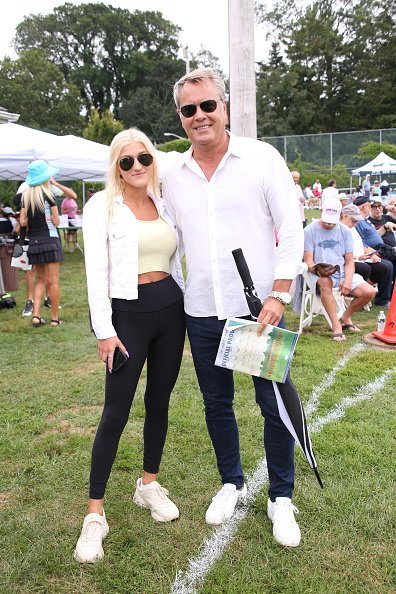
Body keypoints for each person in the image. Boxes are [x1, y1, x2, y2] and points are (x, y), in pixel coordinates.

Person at [162, 68, 304, 547]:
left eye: (208, 106)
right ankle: (231, 482)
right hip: (202, 309)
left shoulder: (261, 158)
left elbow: (291, 225)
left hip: (256, 310)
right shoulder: (174, 174)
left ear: (225, 107)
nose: (200, 116)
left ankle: (281, 497)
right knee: (216, 402)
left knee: (273, 403)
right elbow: (167, 236)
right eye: (189, 109)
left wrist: (279, 294)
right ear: (181, 117)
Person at [74, 128, 185, 564]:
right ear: (115, 166)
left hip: (170, 308)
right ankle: (95, 515)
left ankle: (148, 485)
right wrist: (104, 330)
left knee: (160, 401)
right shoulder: (101, 206)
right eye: (127, 161)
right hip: (126, 317)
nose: (137, 166)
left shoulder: (164, 200)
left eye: (143, 158)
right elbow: (94, 272)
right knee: (115, 410)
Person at [304, 197, 376, 339]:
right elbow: (308, 261)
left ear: (340, 215)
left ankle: (345, 316)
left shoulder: (345, 231)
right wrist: (317, 269)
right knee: (325, 281)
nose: (329, 224)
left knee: (369, 292)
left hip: (340, 271)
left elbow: (349, 262)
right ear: (321, 212)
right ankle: (336, 326)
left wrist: (348, 280)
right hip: (318, 275)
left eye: (332, 221)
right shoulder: (309, 230)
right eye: (327, 221)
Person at [19, 160, 63, 327]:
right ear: (44, 177)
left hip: (34, 242)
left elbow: (22, 222)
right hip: (50, 240)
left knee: (40, 280)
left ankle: (36, 316)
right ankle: (54, 319)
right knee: (54, 281)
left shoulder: (26, 197)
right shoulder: (49, 196)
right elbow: (57, 222)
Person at [340, 204, 393, 307]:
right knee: (365, 268)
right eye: (354, 220)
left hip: (360, 258)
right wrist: (358, 257)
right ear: (345, 215)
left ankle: (362, 293)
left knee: (382, 268)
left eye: (356, 221)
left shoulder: (352, 228)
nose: (355, 223)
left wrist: (371, 254)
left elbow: (361, 244)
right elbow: (340, 253)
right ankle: (355, 294)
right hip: (348, 262)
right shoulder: (340, 229)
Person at [60, 187, 79, 252]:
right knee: (69, 233)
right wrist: (69, 210)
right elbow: (62, 212)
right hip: (68, 219)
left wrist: (77, 211)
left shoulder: (73, 200)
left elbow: (74, 209)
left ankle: (75, 245)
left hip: (74, 218)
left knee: (74, 232)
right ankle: (68, 246)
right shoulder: (64, 201)